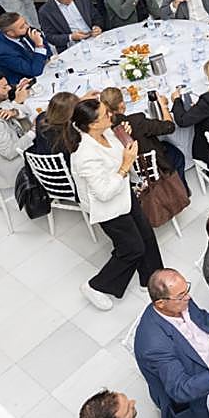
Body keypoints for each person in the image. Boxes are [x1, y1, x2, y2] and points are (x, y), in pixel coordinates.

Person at [70, 99, 164, 311]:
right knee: (132, 249)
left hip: (124, 195)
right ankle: (95, 286)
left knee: (147, 236)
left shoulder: (107, 133)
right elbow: (103, 193)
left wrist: (125, 138)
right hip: (108, 207)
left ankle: (152, 280)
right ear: (93, 124)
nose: (110, 116)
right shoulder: (84, 155)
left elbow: (118, 151)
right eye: (105, 115)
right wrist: (125, 164)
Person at [134, 267, 209, 418]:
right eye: (181, 295)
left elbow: (203, 318)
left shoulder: (179, 300)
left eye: (187, 289)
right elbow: (180, 389)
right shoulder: (154, 345)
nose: (188, 297)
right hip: (200, 386)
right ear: (160, 303)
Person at [100, 86, 187, 194]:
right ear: (121, 105)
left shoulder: (102, 130)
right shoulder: (137, 122)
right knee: (178, 155)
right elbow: (169, 127)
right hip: (149, 164)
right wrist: (163, 106)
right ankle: (181, 190)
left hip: (128, 171)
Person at [38, 0, 103, 52]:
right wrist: (70, 37)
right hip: (72, 47)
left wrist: (97, 26)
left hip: (94, 38)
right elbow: (50, 37)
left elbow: (96, 16)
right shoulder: (45, 12)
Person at [0, 11, 54, 86]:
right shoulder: (3, 53)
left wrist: (47, 58)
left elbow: (47, 50)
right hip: (25, 83)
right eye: (21, 27)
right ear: (10, 33)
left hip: (43, 69)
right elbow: (34, 71)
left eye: (25, 22)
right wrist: (39, 46)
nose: (27, 26)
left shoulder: (27, 30)